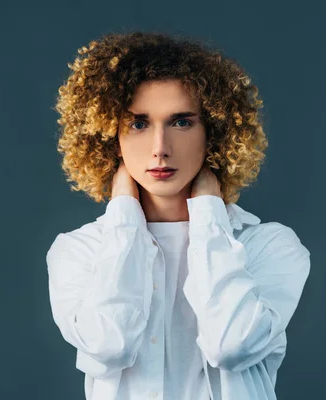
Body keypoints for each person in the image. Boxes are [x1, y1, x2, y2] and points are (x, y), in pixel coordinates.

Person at [46, 30, 311, 400]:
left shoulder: (269, 246)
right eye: (138, 123)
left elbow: (230, 346)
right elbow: (111, 344)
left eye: (182, 122)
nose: (160, 149)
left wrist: (207, 213)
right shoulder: (79, 251)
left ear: (214, 133)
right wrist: (123, 210)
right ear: (108, 137)